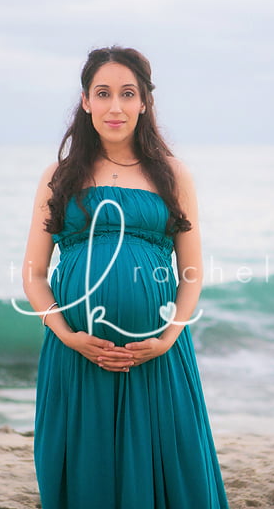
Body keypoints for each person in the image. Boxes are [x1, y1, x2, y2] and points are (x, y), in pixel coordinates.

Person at [20, 45, 230, 508]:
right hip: (76, 356)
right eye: (104, 93)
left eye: (127, 93)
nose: (115, 106)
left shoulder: (173, 175)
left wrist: (169, 338)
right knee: (86, 472)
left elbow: (191, 273)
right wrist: (68, 336)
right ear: (86, 101)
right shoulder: (58, 177)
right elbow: (34, 275)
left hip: (155, 355)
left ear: (144, 102)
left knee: (171, 471)